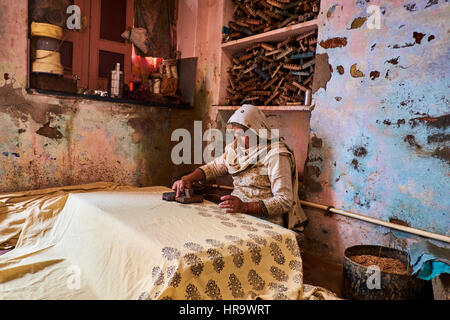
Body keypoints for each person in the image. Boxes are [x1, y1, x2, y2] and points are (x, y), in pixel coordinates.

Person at [172, 104, 307, 230]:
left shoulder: (276, 155)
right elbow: (214, 167)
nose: (238, 139)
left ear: (257, 132)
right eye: (236, 134)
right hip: (236, 214)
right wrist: (188, 178)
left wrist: (245, 207)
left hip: (266, 223)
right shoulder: (236, 149)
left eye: (243, 135)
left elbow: (284, 200)